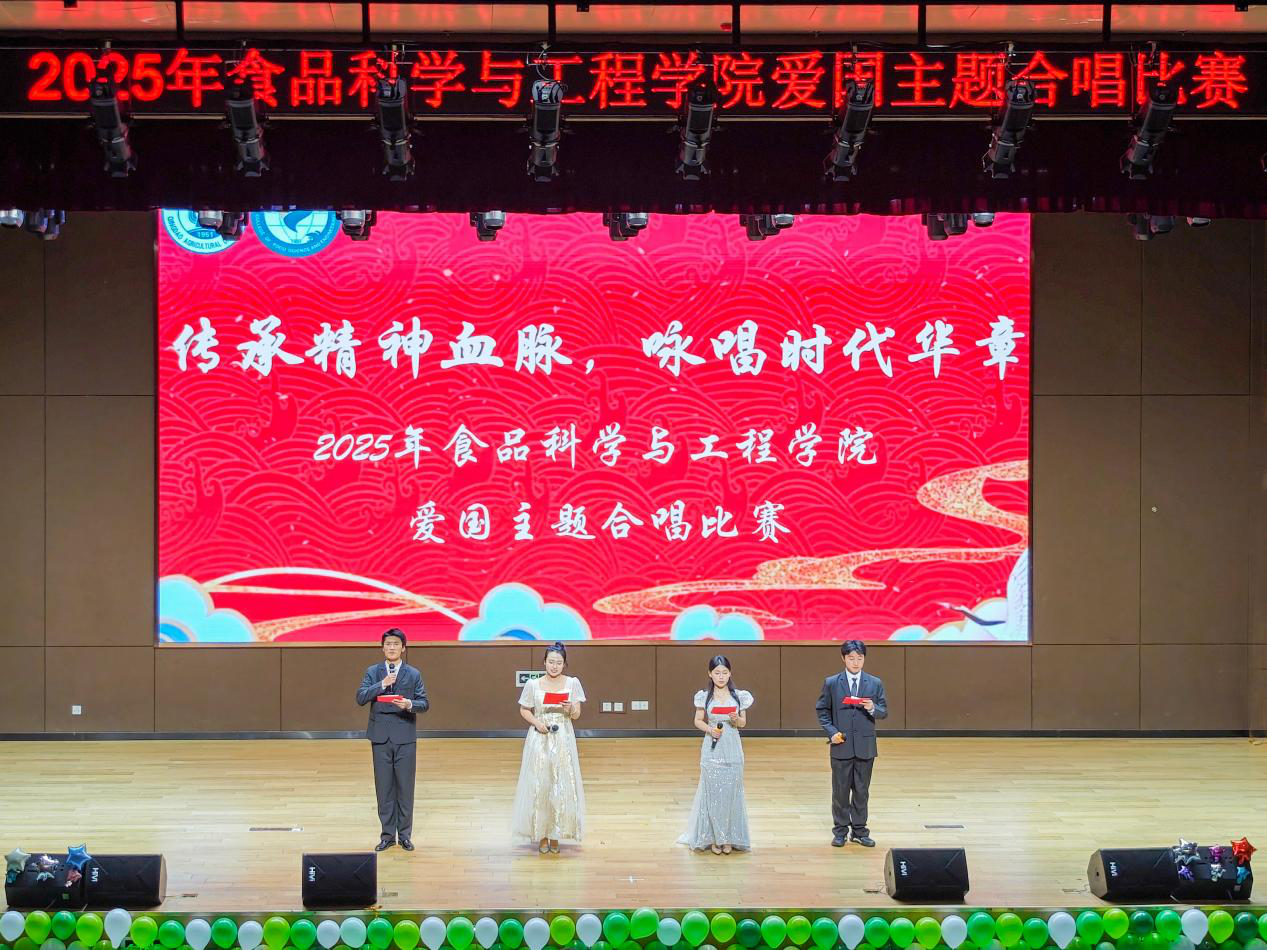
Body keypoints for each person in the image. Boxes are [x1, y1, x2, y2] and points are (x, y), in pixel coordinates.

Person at [355, 628, 429, 852]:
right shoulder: (373, 672)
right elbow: (360, 697)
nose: (392, 647)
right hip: (380, 737)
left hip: (405, 736)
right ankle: (387, 836)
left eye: (396, 644)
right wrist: (382, 684)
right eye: (388, 644)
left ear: (403, 648)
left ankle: (405, 836)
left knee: (405, 788)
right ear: (382, 648)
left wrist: (409, 704)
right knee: (384, 788)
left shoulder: (414, 674)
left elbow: (424, 703)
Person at [511, 641, 586, 853]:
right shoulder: (533, 685)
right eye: (551, 662)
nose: (554, 666)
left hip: (563, 738)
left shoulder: (572, 683)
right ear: (544, 662)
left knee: (560, 783)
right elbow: (524, 709)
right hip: (539, 738)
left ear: (564, 664)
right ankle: (541, 834)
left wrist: (570, 708)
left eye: (558, 663)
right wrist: (537, 723)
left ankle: (556, 834)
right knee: (540, 783)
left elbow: (577, 715)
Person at [678, 655, 754, 854]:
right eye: (717, 673)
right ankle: (713, 837)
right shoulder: (704, 696)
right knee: (712, 791)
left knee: (732, 791)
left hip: (732, 747)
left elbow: (743, 723)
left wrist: (736, 719)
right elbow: (697, 720)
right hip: (712, 747)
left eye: (725, 672)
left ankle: (728, 837)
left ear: (730, 674)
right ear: (710, 674)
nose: (721, 676)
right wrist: (710, 730)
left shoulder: (739, 696)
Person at [815, 639, 887, 848]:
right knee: (840, 791)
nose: (855, 662)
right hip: (841, 745)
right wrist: (832, 732)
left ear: (864, 659)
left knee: (862, 791)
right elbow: (822, 710)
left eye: (859, 658)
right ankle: (840, 831)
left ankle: (860, 831)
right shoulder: (832, 683)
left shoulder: (874, 683)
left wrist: (872, 707)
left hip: (865, 747)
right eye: (851, 658)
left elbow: (883, 711)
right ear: (843, 658)